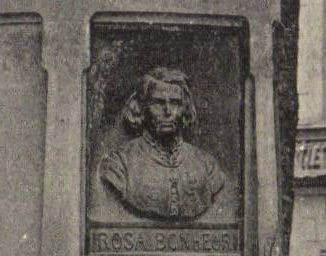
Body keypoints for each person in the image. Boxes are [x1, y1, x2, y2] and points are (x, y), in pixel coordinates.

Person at [97, 67, 232, 222]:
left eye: (175, 103)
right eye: (158, 103)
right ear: (142, 108)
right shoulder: (119, 165)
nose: (168, 111)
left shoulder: (207, 166)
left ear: (185, 109)